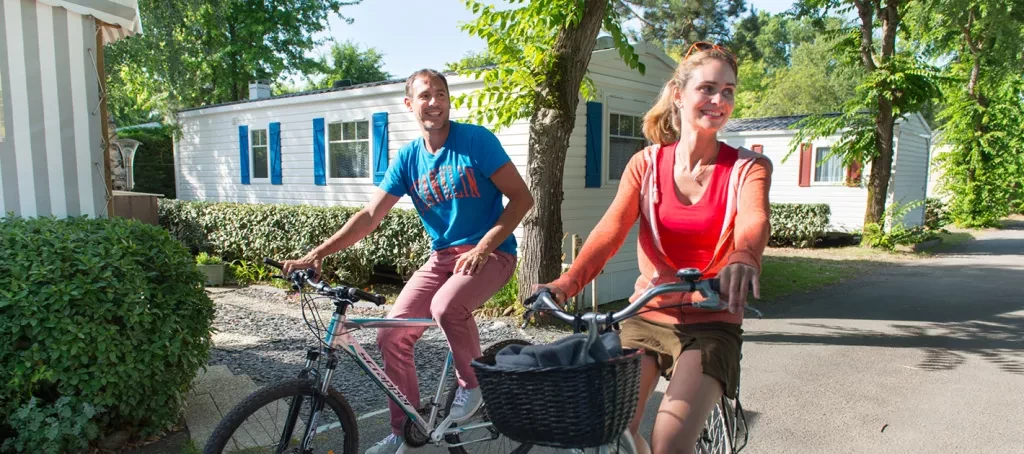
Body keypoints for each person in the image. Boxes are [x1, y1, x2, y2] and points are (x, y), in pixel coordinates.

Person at [536, 43, 771, 454]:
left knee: (670, 441)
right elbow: (610, 232)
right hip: (647, 314)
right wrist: (566, 283)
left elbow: (754, 220)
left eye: (728, 91)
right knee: (613, 430)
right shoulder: (645, 165)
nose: (719, 100)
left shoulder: (747, 168)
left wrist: (743, 257)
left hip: (712, 320)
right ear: (679, 94)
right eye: (708, 88)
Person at [283, 68, 534, 454]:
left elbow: (522, 198)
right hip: (442, 258)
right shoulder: (408, 158)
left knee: (447, 307)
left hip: (493, 254)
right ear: (409, 104)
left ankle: (474, 383)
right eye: (425, 95)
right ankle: (407, 432)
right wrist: (316, 253)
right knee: (391, 335)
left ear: (448, 99)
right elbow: (370, 216)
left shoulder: (476, 141)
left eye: (441, 94)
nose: (434, 102)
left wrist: (483, 247)